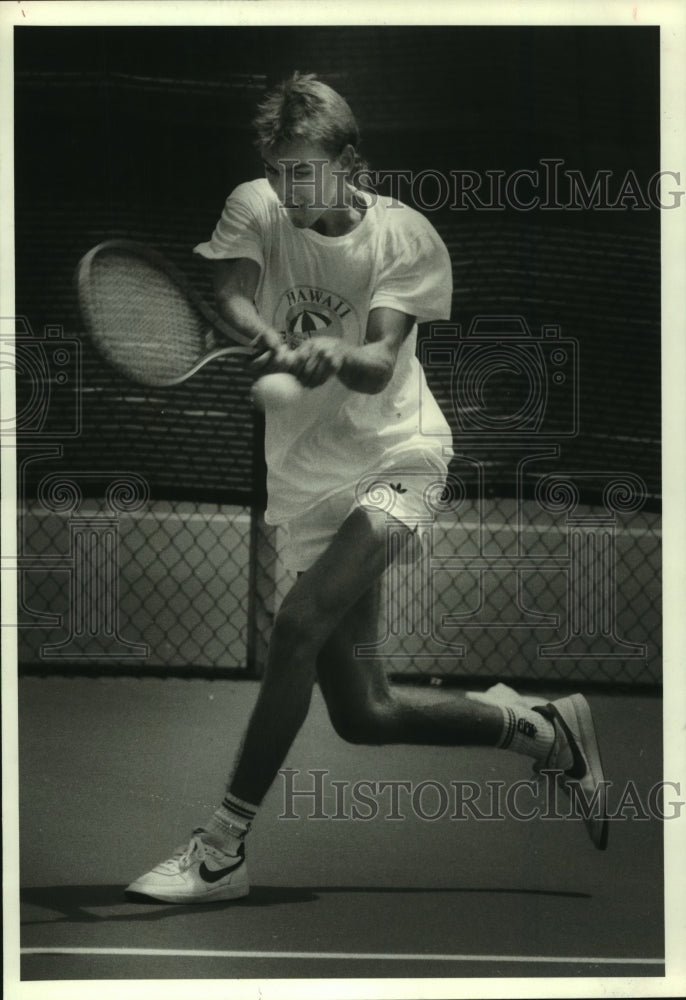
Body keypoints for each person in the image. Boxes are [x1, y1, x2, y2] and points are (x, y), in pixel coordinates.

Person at [126, 72, 608, 904]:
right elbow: (231, 293)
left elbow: (381, 358)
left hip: (398, 453)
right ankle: (541, 728)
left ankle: (222, 849)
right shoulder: (256, 207)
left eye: (304, 172)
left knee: (296, 626)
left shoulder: (405, 238)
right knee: (364, 713)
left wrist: (331, 356)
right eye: (277, 171)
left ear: (349, 161)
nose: (287, 189)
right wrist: (273, 336)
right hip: (308, 481)